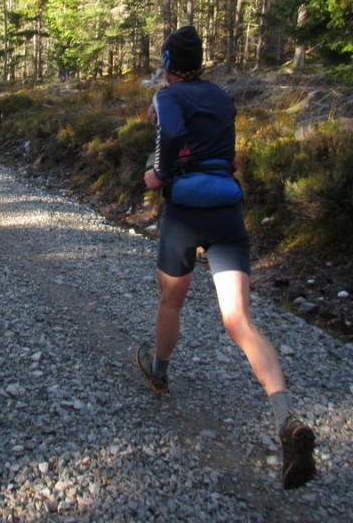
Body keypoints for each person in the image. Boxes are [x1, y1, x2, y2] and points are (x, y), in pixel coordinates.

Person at [135, 25, 316, 490]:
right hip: (227, 211)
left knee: (171, 302)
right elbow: (227, 156)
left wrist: (160, 173)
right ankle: (285, 418)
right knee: (239, 320)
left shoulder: (168, 98)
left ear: (168, 64)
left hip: (186, 213)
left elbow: (171, 135)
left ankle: (159, 373)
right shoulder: (221, 96)